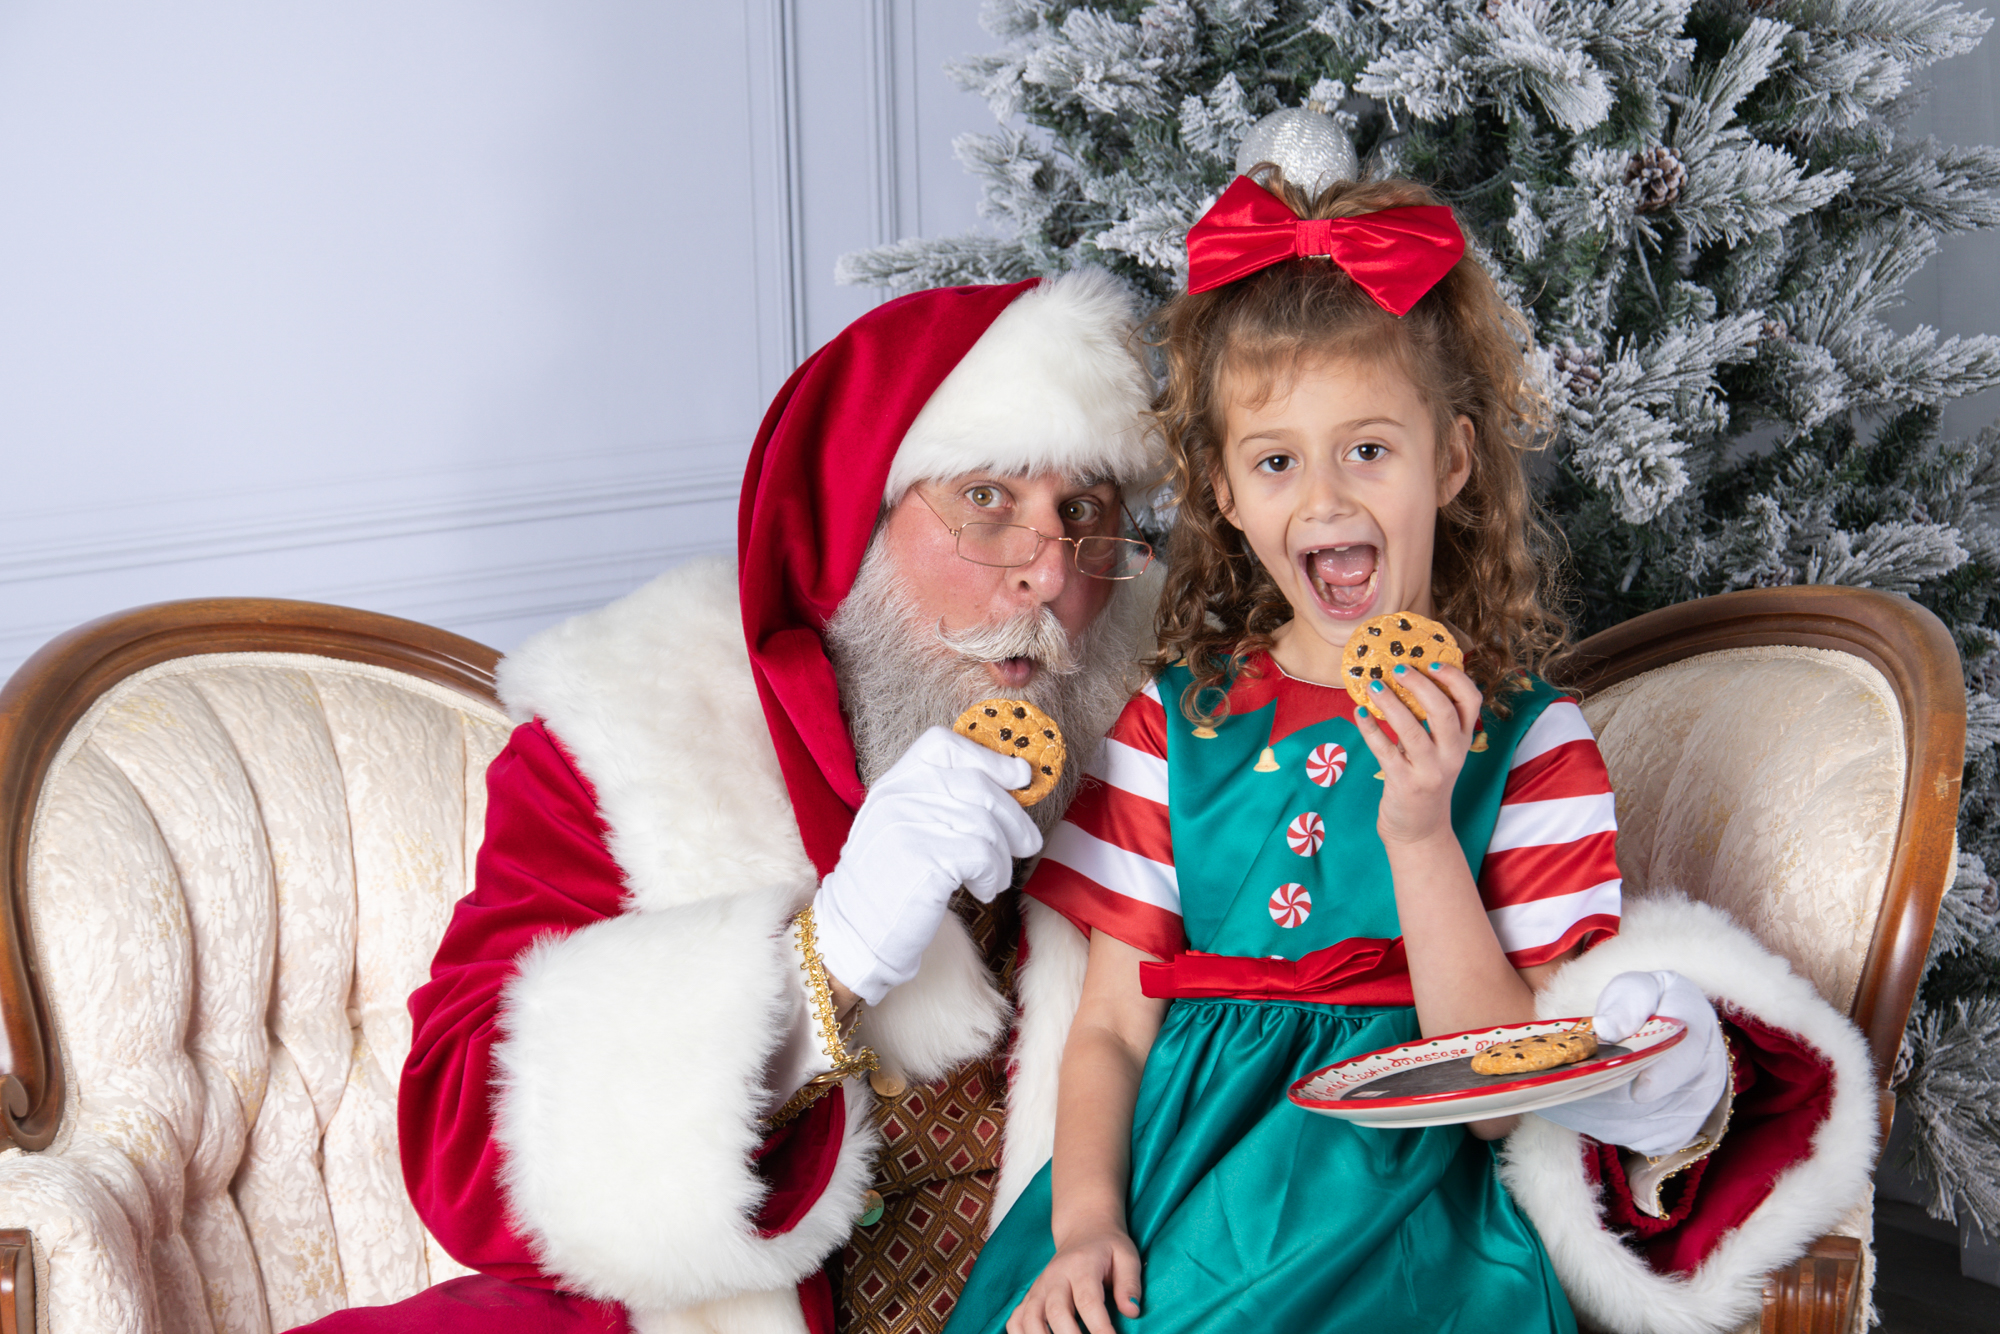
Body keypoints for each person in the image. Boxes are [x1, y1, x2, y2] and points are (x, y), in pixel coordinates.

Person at [303, 250, 1859, 1334]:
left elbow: (1530, 1044)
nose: (1045, 574)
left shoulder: (1156, 717)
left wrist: (1648, 1065)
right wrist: (821, 962)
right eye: (985, 503)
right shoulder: (636, 745)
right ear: (854, 514)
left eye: (1088, 513)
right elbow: (462, 1145)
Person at [941, 173, 1876, 1334]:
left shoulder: (1528, 739)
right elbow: (1112, 1023)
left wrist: (1420, 829)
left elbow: (1500, 1093)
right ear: (1223, 493)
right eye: (1276, 462)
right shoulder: (1172, 726)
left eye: (1367, 449)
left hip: (1402, 1197)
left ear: (1448, 461)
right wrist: (1083, 1216)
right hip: (1170, 1169)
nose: (1324, 493)